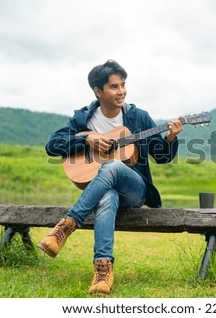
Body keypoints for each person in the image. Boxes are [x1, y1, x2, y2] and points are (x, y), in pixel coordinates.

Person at [38, 60, 183, 295]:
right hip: (105, 190)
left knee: (113, 165)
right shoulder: (83, 119)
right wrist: (86, 139)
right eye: (114, 87)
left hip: (135, 189)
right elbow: (52, 145)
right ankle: (102, 270)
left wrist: (170, 139)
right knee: (107, 196)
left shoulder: (138, 117)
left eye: (123, 85)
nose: (121, 91)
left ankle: (66, 226)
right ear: (98, 91)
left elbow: (161, 156)